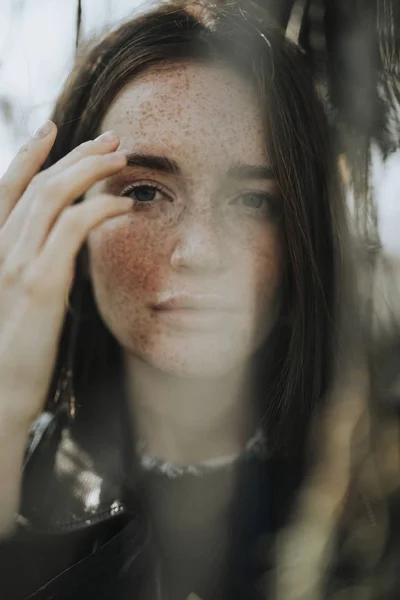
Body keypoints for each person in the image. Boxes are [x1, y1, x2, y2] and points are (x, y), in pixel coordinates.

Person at [0, 1, 367, 599]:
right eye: (144, 192)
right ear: (64, 219)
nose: (199, 252)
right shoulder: (15, 470)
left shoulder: (369, 510)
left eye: (253, 201)